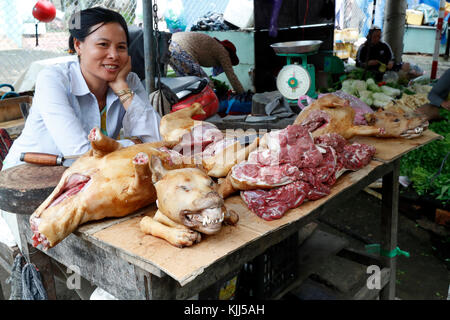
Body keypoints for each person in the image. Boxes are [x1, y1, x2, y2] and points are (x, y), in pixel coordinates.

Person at [2, 7, 161, 170]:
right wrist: (134, 144)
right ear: (78, 45)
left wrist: (121, 87)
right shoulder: (53, 79)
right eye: (103, 44)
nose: (113, 55)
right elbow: (79, 153)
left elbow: (157, 140)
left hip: (86, 174)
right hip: (25, 176)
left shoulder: (128, 81)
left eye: (121, 47)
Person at [127, 29, 245, 94]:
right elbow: (231, 75)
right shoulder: (223, 51)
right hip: (180, 48)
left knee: (188, 85)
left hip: (169, 44)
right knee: (206, 84)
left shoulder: (213, 46)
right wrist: (243, 94)